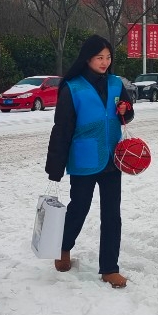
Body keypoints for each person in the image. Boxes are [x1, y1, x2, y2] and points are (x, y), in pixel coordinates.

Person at [45, 35, 137, 288]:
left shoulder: (116, 83)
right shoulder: (72, 88)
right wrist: (55, 167)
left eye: (108, 58)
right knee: (79, 207)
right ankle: (63, 246)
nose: (105, 62)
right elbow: (61, 129)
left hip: (112, 158)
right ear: (88, 58)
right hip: (84, 159)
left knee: (112, 214)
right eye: (100, 57)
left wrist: (125, 111)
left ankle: (109, 267)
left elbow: (127, 112)